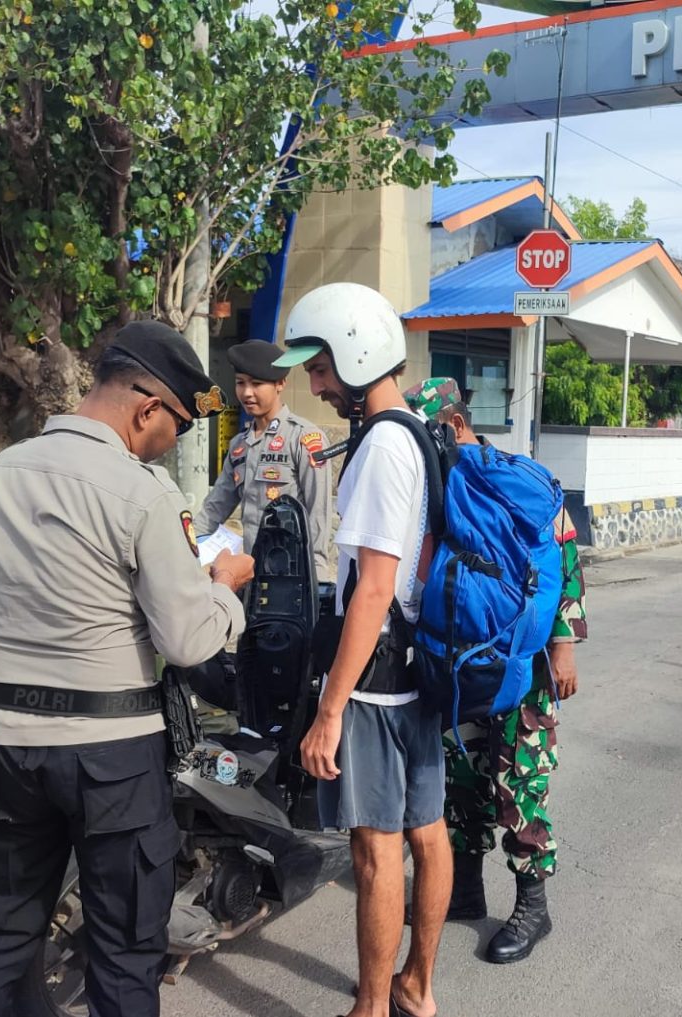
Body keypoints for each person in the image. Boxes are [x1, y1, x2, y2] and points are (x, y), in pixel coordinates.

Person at [0, 322, 256, 1017]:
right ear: (145, 407)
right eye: (176, 422)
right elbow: (185, 639)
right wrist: (224, 589)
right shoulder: (142, 492)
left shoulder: (1, 474)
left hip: (11, 747)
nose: (174, 439)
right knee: (122, 956)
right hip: (112, 759)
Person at [272, 283, 450, 1017]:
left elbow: (372, 590)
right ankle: (418, 985)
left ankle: (371, 1007)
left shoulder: (381, 446)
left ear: (357, 352)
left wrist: (329, 709)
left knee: (376, 853)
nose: (313, 383)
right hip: (419, 672)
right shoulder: (420, 431)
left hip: (374, 686)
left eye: (320, 366)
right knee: (428, 834)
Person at [402, 377, 588, 965]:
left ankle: (534, 905)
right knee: (460, 780)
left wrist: (563, 642)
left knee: (518, 783)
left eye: (427, 432)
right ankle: (464, 889)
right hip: (460, 663)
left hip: (522, 668)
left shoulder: (512, 479)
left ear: (454, 424)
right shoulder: (437, 483)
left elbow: (561, 554)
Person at [194, 339, 333, 570]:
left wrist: (316, 580)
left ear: (280, 384)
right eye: (240, 383)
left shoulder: (303, 438)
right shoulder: (240, 445)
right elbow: (213, 509)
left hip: (292, 574)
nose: (247, 393)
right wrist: (185, 547)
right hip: (251, 574)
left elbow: (318, 514)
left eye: (257, 384)